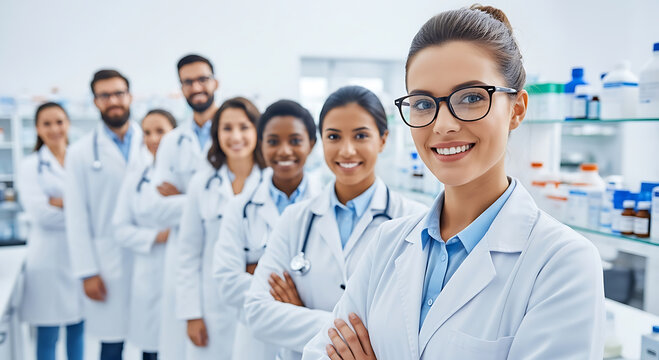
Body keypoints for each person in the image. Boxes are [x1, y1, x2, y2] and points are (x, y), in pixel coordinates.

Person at [302, 6, 605, 360]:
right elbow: (320, 353)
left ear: (517, 109)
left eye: (472, 97)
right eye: (422, 103)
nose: (443, 124)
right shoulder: (387, 243)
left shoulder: (562, 263)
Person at [244, 86, 427, 360]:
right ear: (322, 141)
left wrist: (300, 313)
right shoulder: (296, 220)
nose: (347, 150)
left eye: (361, 135)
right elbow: (257, 312)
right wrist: (357, 332)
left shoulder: (414, 221)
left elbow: (412, 330)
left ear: (383, 139)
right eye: (333, 136)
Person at [213, 100, 321, 360]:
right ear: (261, 146)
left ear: (312, 144)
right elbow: (227, 282)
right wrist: (290, 298)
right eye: (273, 141)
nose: (284, 151)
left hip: (313, 345)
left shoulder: (326, 204)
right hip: (256, 342)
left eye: (295, 140)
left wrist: (259, 273)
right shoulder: (240, 208)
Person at [177, 97, 266, 360]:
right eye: (227, 128)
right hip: (212, 306)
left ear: (258, 131)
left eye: (244, 127)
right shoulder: (201, 183)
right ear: (216, 134)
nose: (235, 136)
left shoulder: (272, 180)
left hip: (259, 304)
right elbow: (188, 253)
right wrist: (191, 314)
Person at [64, 69, 142, 360]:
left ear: (130, 96)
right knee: (112, 344)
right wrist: (87, 271)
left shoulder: (155, 142)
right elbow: (76, 217)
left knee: (154, 340)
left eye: (119, 93)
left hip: (149, 255)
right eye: (105, 95)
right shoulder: (80, 153)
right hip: (106, 262)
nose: (113, 101)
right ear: (95, 101)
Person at [148, 54, 219, 358]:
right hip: (185, 255)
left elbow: (239, 200)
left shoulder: (236, 134)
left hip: (225, 250)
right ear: (181, 88)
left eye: (202, 79)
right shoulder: (172, 140)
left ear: (215, 82)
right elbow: (157, 209)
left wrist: (183, 194)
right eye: (188, 82)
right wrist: (210, 198)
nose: (196, 86)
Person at [17, 102, 84, 360]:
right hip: (47, 260)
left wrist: (62, 202)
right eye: (47, 123)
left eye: (59, 122)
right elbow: (42, 216)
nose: (54, 129)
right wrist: (79, 207)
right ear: (36, 128)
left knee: (78, 328)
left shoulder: (79, 160)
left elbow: (96, 206)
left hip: (79, 257)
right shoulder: (31, 165)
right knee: (48, 335)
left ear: (68, 123)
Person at [112, 109, 180, 360]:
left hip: (181, 273)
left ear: (175, 134)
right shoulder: (135, 178)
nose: (153, 138)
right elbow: (119, 228)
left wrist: (181, 200)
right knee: (151, 350)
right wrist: (154, 237)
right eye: (148, 132)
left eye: (160, 131)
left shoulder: (189, 176)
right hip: (148, 276)